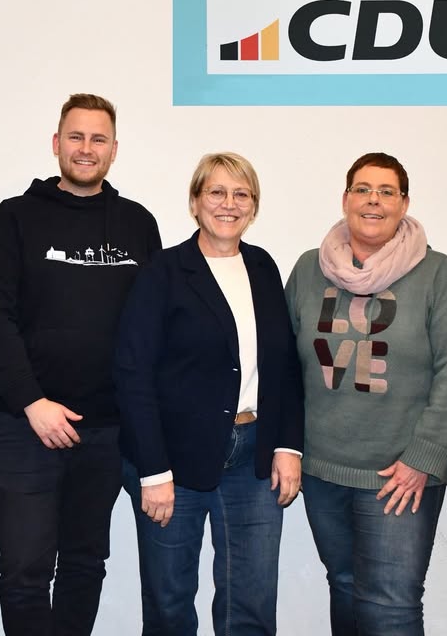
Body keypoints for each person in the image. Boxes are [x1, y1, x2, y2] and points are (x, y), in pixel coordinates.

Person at [0, 93, 162, 635]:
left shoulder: (137, 224)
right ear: (56, 143)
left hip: (104, 432)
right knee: (25, 570)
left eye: (98, 139)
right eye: (76, 137)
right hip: (23, 426)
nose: (86, 148)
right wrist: (33, 403)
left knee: (85, 564)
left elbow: (149, 330)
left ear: (114, 149)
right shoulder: (15, 217)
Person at [284, 152, 447, 636]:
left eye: (387, 191)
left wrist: (423, 458)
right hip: (323, 470)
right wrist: (288, 448)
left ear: (404, 204)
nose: (374, 200)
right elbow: (283, 364)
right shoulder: (309, 269)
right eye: (363, 189)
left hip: (399, 474)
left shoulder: (437, 273)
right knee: (345, 587)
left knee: (391, 606)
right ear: (346, 199)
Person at [114, 152, 304, 636]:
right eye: (216, 192)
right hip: (172, 462)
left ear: (254, 206)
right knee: (170, 606)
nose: (229, 204)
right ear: (195, 202)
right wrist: (153, 470)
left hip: (253, 459)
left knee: (251, 606)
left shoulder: (262, 267)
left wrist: (288, 445)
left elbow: (284, 365)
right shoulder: (164, 271)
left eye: (241, 194)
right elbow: (133, 372)